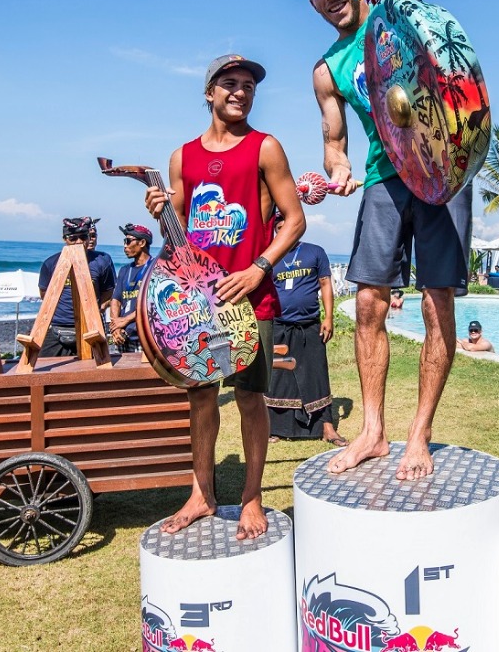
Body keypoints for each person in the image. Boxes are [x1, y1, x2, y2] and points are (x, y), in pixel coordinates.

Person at [300, 0, 469, 481]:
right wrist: (334, 175)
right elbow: (336, 146)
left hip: (442, 164)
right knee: (368, 303)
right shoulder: (326, 70)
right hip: (383, 177)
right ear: (311, 2)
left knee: (434, 301)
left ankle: (419, 433)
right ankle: (372, 430)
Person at [144, 53, 305, 540]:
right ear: (209, 92)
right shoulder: (183, 157)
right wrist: (159, 209)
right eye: (230, 83)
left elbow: (295, 221)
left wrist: (259, 269)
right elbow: (178, 229)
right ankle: (202, 494)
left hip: (249, 298)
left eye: (248, 86)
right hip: (199, 301)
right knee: (200, 397)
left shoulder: (265, 147)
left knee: (251, 399)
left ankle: (252, 497)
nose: (240, 92)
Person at [265, 213, 346, 446]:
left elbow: (325, 284)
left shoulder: (315, 252)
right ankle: (276, 428)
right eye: (278, 228)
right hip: (279, 326)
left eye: (287, 226)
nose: (283, 231)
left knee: (316, 374)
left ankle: (327, 427)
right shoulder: (270, 255)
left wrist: (328, 317)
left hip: (310, 325)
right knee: (280, 377)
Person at [37, 217, 115, 357]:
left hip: (90, 326)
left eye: (83, 237)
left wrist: (95, 310)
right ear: (65, 239)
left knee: (95, 366)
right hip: (58, 326)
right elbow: (45, 294)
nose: (79, 242)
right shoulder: (51, 263)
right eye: (73, 238)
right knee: (45, 366)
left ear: (88, 238)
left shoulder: (102, 261)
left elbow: (108, 292)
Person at [109, 223, 154, 354]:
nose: (125, 246)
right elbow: (116, 300)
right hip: (123, 335)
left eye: (128, 241)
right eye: (124, 241)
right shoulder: (124, 270)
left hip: (145, 337)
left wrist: (125, 320)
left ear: (142, 243)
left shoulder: (155, 268)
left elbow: (152, 304)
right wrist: (116, 327)